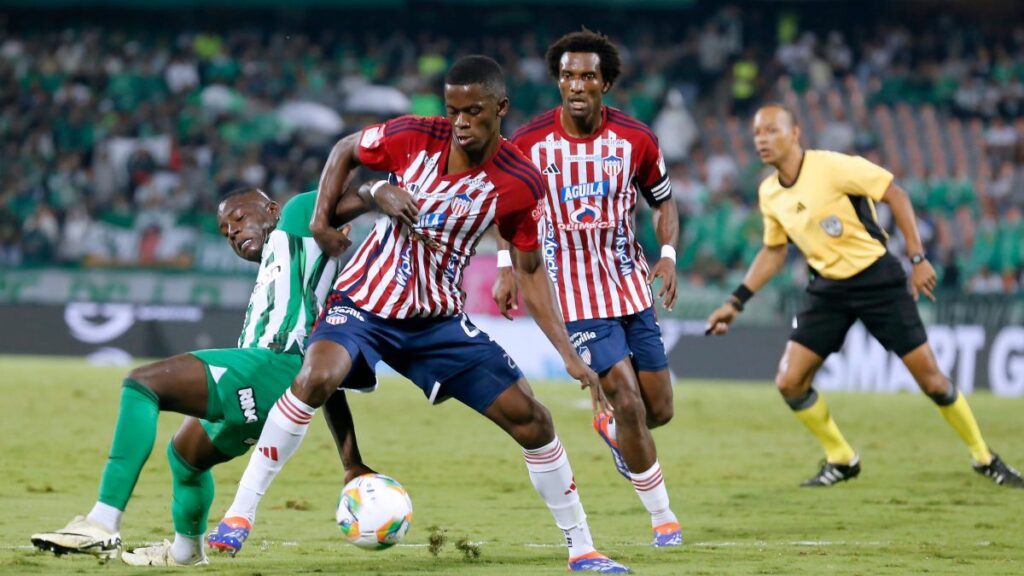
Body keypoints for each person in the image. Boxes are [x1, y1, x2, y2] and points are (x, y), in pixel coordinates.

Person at [210, 56, 631, 574]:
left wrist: (568, 353)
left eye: (473, 111)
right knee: (317, 375)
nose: (460, 122)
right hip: (364, 302)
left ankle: (582, 548)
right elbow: (346, 149)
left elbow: (529, 266)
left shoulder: (521, 180)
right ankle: (239, 514)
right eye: (453, 110)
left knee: (533, 419)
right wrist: (325, 220)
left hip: (437, 320)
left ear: (499, 108)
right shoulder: (412, 135)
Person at [30, 188, 375, 566]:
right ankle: (185, 552)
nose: (231, 231)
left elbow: (346, 184)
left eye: (239, 218)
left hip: (271, 366)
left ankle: (101, 521)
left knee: (142, 384)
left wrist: (380, 191)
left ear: (271, 209)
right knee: (185, 458)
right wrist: (350, 461)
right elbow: (322, 381)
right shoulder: (279, 268)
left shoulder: (295, 222)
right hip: (279, 391)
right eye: (225, 229)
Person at [705, 104, 1024, 488]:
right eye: (757, 133)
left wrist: (918, 257)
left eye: (772, 130)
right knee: (789, 382)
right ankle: (842, 458)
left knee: (933, 381)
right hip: (826, 289)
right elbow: (774, 251)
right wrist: (736, 301)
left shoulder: (833, 167)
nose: (762, 139)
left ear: (795, 133)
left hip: (877, 280)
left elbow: (897, 195)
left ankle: (984, 457)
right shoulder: (769, 193)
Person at [492, 29, 683, 547]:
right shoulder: (529, 143)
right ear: (558, 81)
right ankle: (662, 518)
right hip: (573, 296)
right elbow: (505, 206)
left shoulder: (636, 140)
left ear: (606, 83)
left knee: (656, 409)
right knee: (624, 394)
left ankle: (618, 433)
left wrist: (666, 257)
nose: (576, 85)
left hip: (629, 287)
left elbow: (664, 201)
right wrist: (506, 264)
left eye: (587, 76)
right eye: (568, 76)